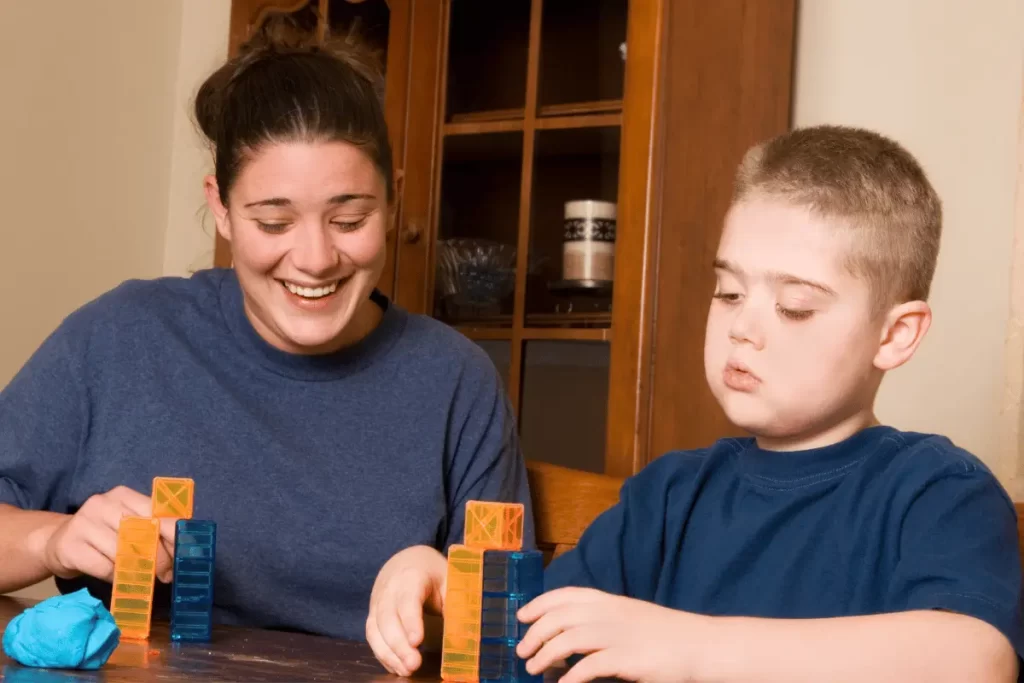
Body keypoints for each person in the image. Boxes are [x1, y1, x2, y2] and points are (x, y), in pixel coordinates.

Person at [369, 124, 1024, 681]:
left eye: (795, 306)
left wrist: (689, 645)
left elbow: (974, 658)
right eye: (729, 292)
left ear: (895, 333)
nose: (743, 327)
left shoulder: (938, 491)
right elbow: (539, 635)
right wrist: (442, 587)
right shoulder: (668, 496)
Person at [0, 26, 533, 645]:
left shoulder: (455, 380)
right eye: (274, 221)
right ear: (221, 210)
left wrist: (443, 584)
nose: (314, 258)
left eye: (350, 219)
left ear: (394, 202)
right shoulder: (120, 335)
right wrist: (51, 540)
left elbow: (508, 626)